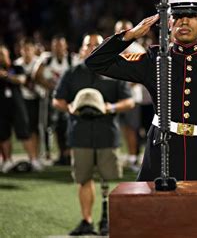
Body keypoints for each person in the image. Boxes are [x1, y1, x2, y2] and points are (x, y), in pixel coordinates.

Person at [85, 0, 197, 206]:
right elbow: (96, 62)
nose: (184, 21)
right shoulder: (155, 59)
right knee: (155, 222)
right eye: (178, 16)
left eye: (192, 16)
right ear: (169, 22)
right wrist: (131, 35)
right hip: (161, 153)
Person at [53, 33, 134, 235]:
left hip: (107, 132)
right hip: (80, 133)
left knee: (110, 179)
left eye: (96, 45)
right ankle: (86, 221)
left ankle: (108, 220)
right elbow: (57, 100)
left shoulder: (114, 71)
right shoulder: (72, 73)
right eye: (87, 45)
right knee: (84, 179)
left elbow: (130, 101)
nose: (91, 48)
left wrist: (111, 107)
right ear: (81, 49)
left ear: (103, 48)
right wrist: (69, 107)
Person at [35, 34, 80, 165]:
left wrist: (65, 89)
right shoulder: (47, 59)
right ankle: (52, 153)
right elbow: (36, 75)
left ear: (65, 45)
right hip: (50, 97)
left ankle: (67, 154)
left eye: (60, 45)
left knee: (68, 125)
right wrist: (50, 86)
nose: (58, 48)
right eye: (55, 45)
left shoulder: (72, 59)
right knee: (50, 126)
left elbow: (78, 76)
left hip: (68, 98)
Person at [0, 44, 43, 173]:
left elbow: (22, 80)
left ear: (7, 54)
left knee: (25, 133)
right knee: (3, 135)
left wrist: (6, 76)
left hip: (17, 105)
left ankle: (33, 159)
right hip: (1, 107)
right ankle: (7, 160)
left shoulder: (16, 67)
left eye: (2, 54)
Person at [113, 19, 147, 172]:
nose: (123, 32)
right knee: (121, 128)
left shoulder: (137, 49)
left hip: (132, 97)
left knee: (132, 128)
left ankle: (133, 158)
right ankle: (124, 156)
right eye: (120, 30)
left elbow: (139, 75)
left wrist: (121, 89)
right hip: (116, 97)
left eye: (125, 29)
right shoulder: (113, 48)